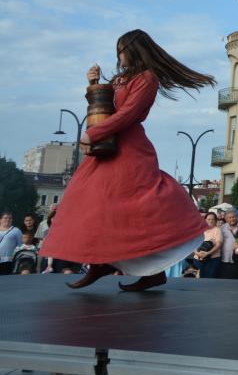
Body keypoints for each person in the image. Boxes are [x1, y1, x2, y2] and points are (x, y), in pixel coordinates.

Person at [39, 30, 213, 291]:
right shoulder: (123, 78)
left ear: (133, 49)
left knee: (132, 209)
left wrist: (93, 133)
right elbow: (105, 106)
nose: (118, 55)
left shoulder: (147, 78)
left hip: (127, 149)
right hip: (108, 147)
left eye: (121, 49)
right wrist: (93, 84)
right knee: (85, 200)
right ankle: (101, 263)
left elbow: (128, 114)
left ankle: (145, 271)